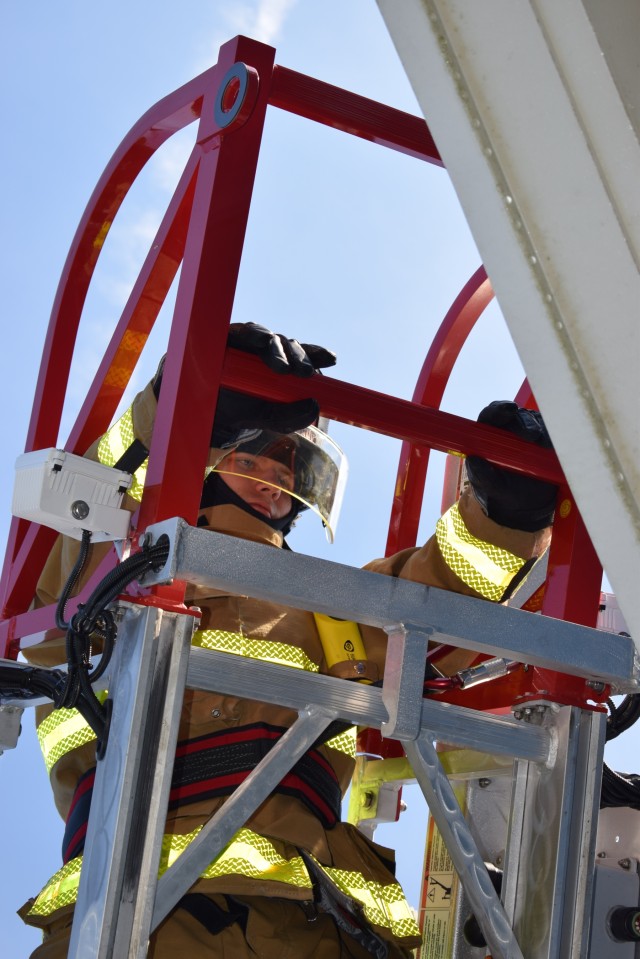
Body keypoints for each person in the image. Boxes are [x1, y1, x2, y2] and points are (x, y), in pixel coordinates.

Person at [18, 324, 555, 958]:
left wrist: (500, 514)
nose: (269, 480)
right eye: (247, 459)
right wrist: (179, 402)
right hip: (131, 914)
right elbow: (97, 501)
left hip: (318, 923)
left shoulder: (325, 610)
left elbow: (432, 601)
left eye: (282, 470)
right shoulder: (117, 576)